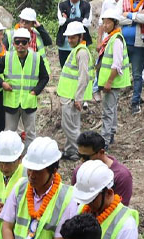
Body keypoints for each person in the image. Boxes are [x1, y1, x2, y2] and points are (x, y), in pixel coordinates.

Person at [72, 161, 138, 239]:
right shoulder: (82, 209)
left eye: (92, 199)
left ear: (109, 193)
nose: (88, 203)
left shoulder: (126, 225)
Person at [0, 28, 49, 144]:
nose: (20, 45)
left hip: (29, 101)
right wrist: (2, 84)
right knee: (9, 133)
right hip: (11, 102)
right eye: (17, 42)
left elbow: (45, 77)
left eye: (24, 42)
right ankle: (11, 157)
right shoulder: (7, 57)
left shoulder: (36, 58)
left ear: (29, 43)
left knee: (31, 133)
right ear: (13, 43)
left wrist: (35, 91)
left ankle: (30, 157)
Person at [56, 22, 92, 161]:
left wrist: (78, 97)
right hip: (70, 95)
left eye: (72, 37)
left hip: (71, 97)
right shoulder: (78, 50)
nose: (69, 40)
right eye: (68, 37)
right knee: (74, 124)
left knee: (69, 126)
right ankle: (71, 150)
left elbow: (84, 76)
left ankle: (81, 150)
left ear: (80, 36)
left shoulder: (81, 52)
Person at [95, 10, 130, 147]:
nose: (105, 25)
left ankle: (104, 141)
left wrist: (109, 81)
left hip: (112, 82)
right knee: (112, 109)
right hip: (110, 81)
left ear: (115, 23)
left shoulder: (116, 40)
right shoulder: (110, 38)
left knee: (108, 111)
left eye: (108, 22)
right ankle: (111, 134)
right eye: (104, 22)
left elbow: (117, 64)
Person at [73, 131, 134, 204]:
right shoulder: (80, 171)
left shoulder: (121, 176)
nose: (82, 160)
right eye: (79, 155)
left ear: (101, 152)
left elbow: (119, 209)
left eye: (86, 157)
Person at [121, 0, 144, 114]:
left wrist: (128, 16)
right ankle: (114, 99)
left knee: (137, 75)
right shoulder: (123, 2)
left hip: (139, 45)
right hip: (122, 44)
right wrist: (137, 17)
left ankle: (135, 102)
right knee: (117, 69)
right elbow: (117, 18)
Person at [56, 0, 93, 66]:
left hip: (81, 44)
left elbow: (87, 23)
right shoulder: (62, 5)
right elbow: (61, 22)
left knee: (81, 67)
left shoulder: (86, 5)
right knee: (65, 68)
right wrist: (80, 19)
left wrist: (67, 20)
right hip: (64, 45)